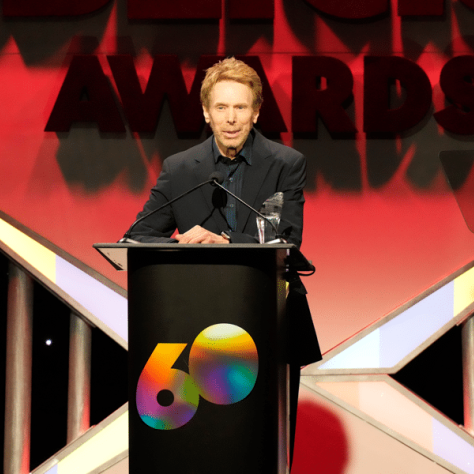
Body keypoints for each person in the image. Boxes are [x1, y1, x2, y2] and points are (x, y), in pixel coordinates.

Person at [126, 57, 322, 467]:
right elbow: (140, 234)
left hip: (270, 316)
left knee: (263, 446)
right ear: (205, 112)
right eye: (221, 108)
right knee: (199, 446)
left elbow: (287, 237)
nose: (230, 119)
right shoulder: (180, 168)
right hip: (189, 323)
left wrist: (227, 240)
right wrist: (182, 242)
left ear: (255, 111)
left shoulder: (286, 163)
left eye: (239, 108)